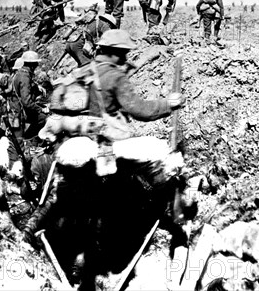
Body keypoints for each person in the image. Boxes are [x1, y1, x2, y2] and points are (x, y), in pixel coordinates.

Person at [23, 30, 189, 251]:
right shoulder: (114, 77)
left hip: (74, 142)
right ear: (116, 53)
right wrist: (168, 104)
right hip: (103, 146)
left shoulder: (84, 71)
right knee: (127, 190)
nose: (125, 58)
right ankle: (122, 240)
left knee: (60, 193)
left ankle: (29, 231)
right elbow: (138, 109)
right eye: (123, 53)